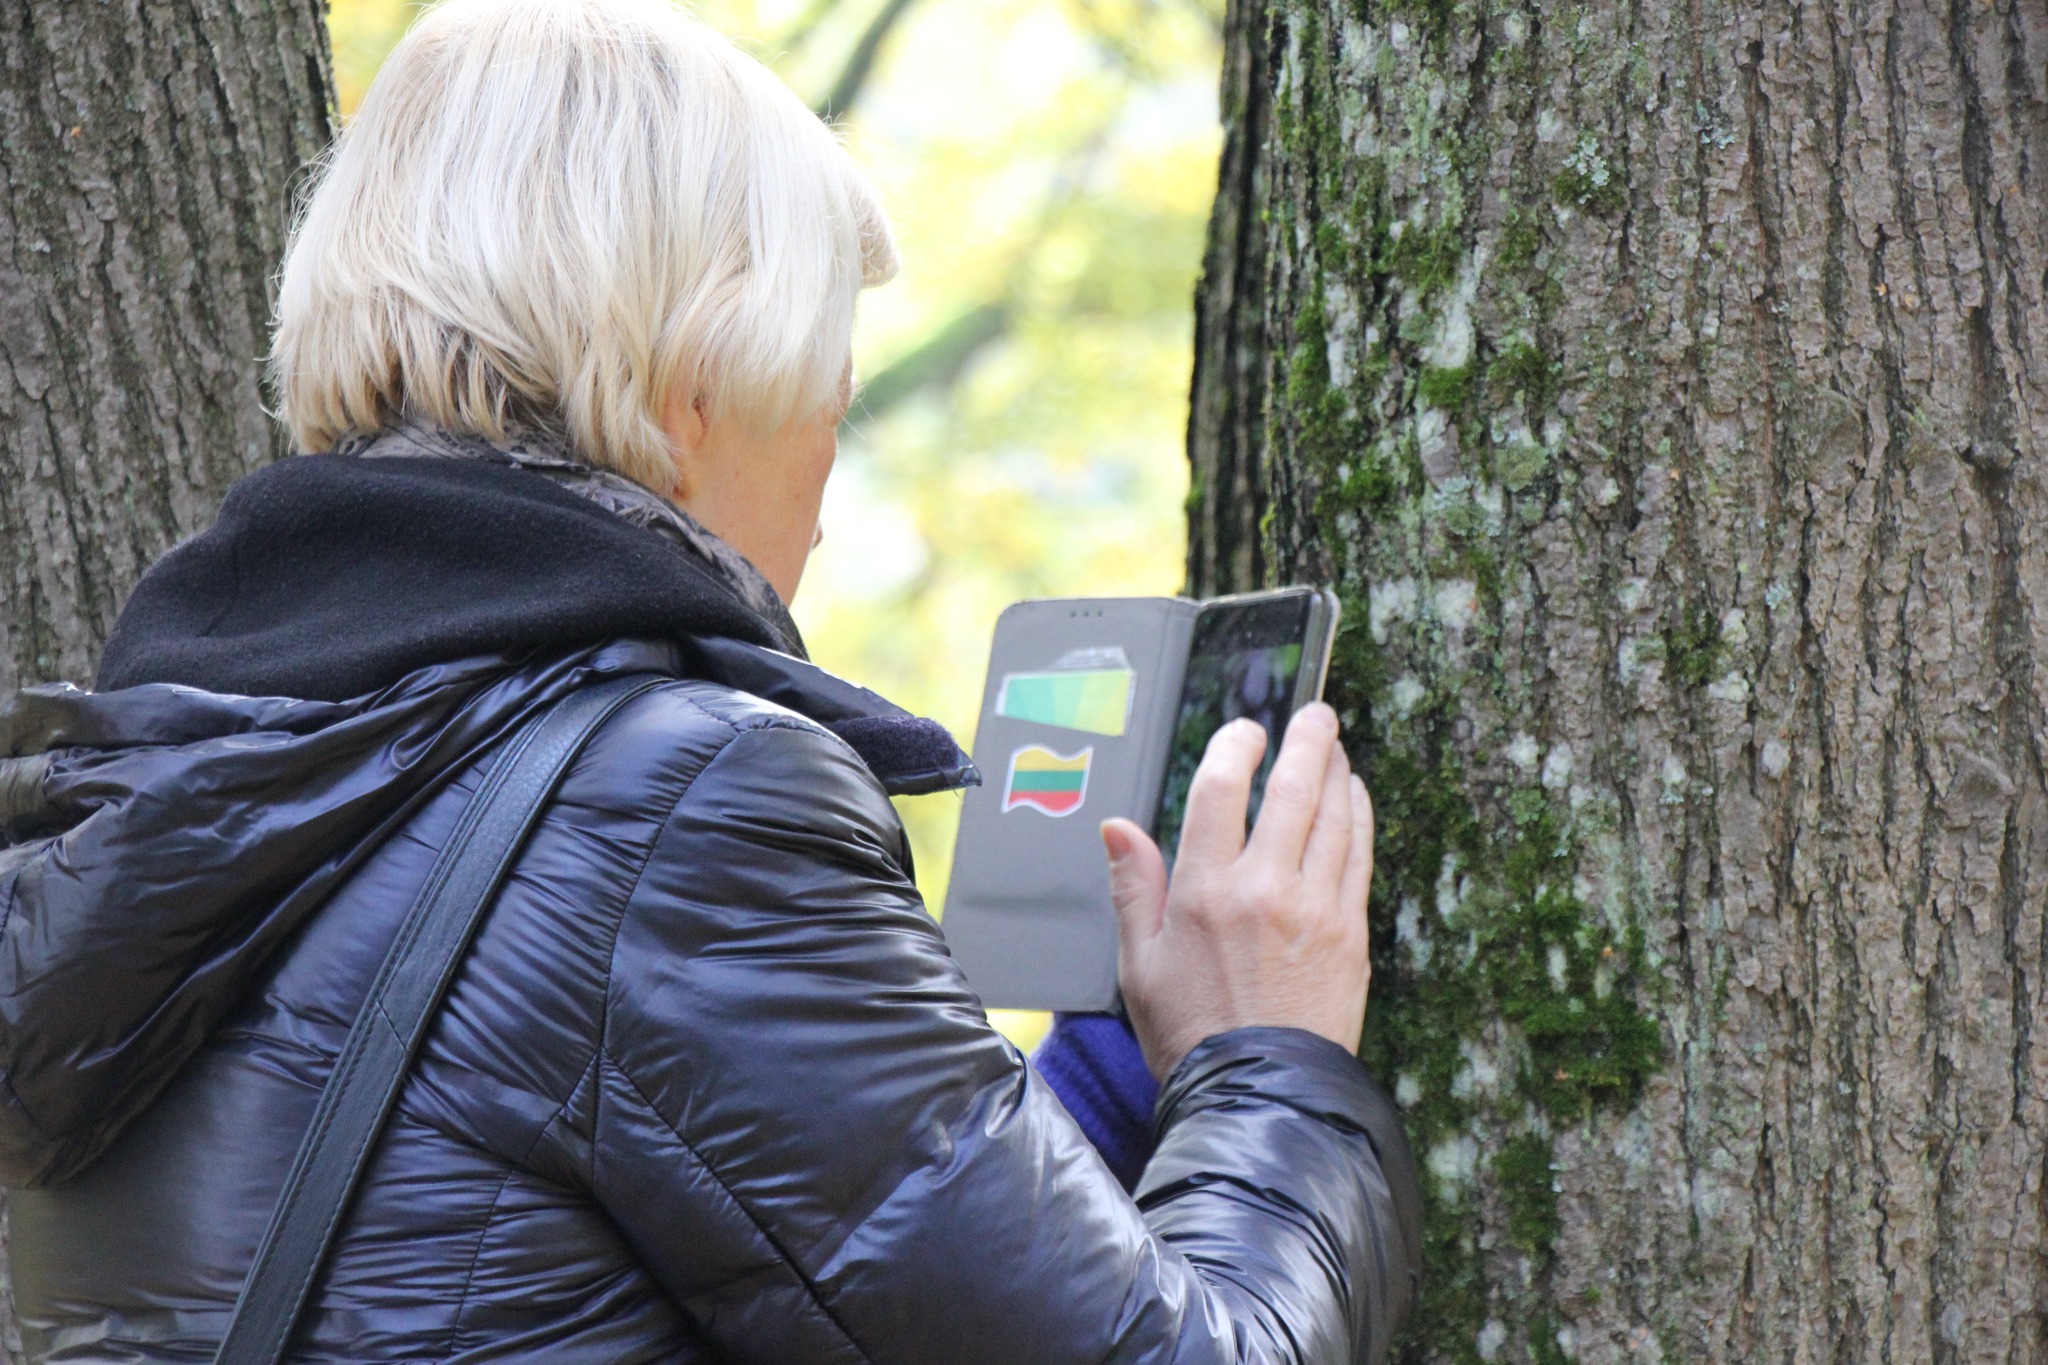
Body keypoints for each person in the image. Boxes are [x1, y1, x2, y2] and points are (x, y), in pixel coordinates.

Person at [0, 0, 1421, 1360]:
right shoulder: (676, 802)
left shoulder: (176, 791)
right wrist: (1266, 1049)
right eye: (828, 413)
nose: (824, 519)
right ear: (699, 390)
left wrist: (1099, 1092)